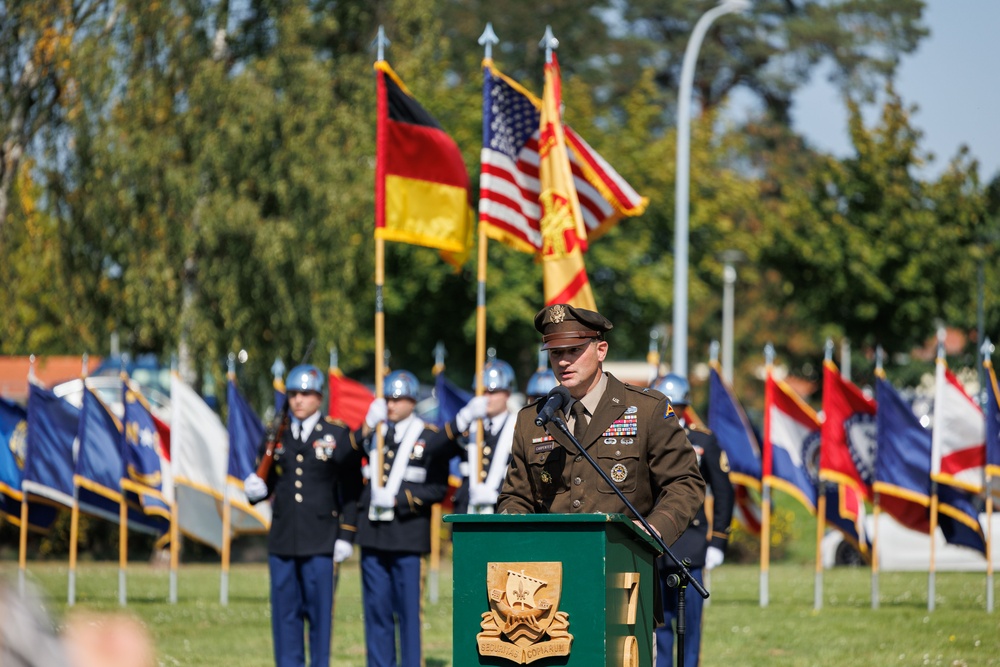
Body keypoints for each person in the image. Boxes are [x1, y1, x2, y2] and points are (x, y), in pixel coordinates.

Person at [497, 303, 705, 548]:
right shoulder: (533, 418)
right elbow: (517, 497)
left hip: (626, 560)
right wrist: (513, 535)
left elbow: (684, 482)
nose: (563, 361)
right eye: (555, 353)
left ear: (601, 351)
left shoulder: (647, 409)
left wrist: (656, 527)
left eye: (573, 350)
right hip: (551, 564)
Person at [243, 364, 358, 667]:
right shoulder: (275, 432)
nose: (298, 400)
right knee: (285, 619)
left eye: (306, 394)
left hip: (321, 542)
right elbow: (266, 480)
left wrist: (346, 535)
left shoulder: (336, 434)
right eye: (293, 394)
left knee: (320, 620)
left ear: (319, 397)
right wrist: (255, 489)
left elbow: (351, 490)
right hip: (283, 541)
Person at [350, 369, 458, 667]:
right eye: (388, 399)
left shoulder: (428, 437)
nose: (392, 405)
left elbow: (436, 488)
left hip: (408, 535)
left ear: (412, 401)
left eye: (399, 399)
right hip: (373, 535)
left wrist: (397, 500)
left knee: (409, 613)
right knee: (376, 611)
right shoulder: (375, 434)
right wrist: (365, 427)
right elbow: (346, 455)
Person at [651, 373, 734, 667]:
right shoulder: (644, 440)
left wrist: (719, 542)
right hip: (654, 547)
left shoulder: (702, 441)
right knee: (659, 627)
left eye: (677, 406)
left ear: (686, 407)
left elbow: (724, 493)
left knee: (690, 626)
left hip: (691, 546)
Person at [449, 360, 518, 514]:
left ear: (507, 393)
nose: (486, 398)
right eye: (482, 392)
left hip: (502, 511)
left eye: (492, 392)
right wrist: (463, 418)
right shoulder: (467, 425)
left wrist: (498, 491)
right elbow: (434, 450)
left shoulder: (518, 427)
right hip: (466, 509)